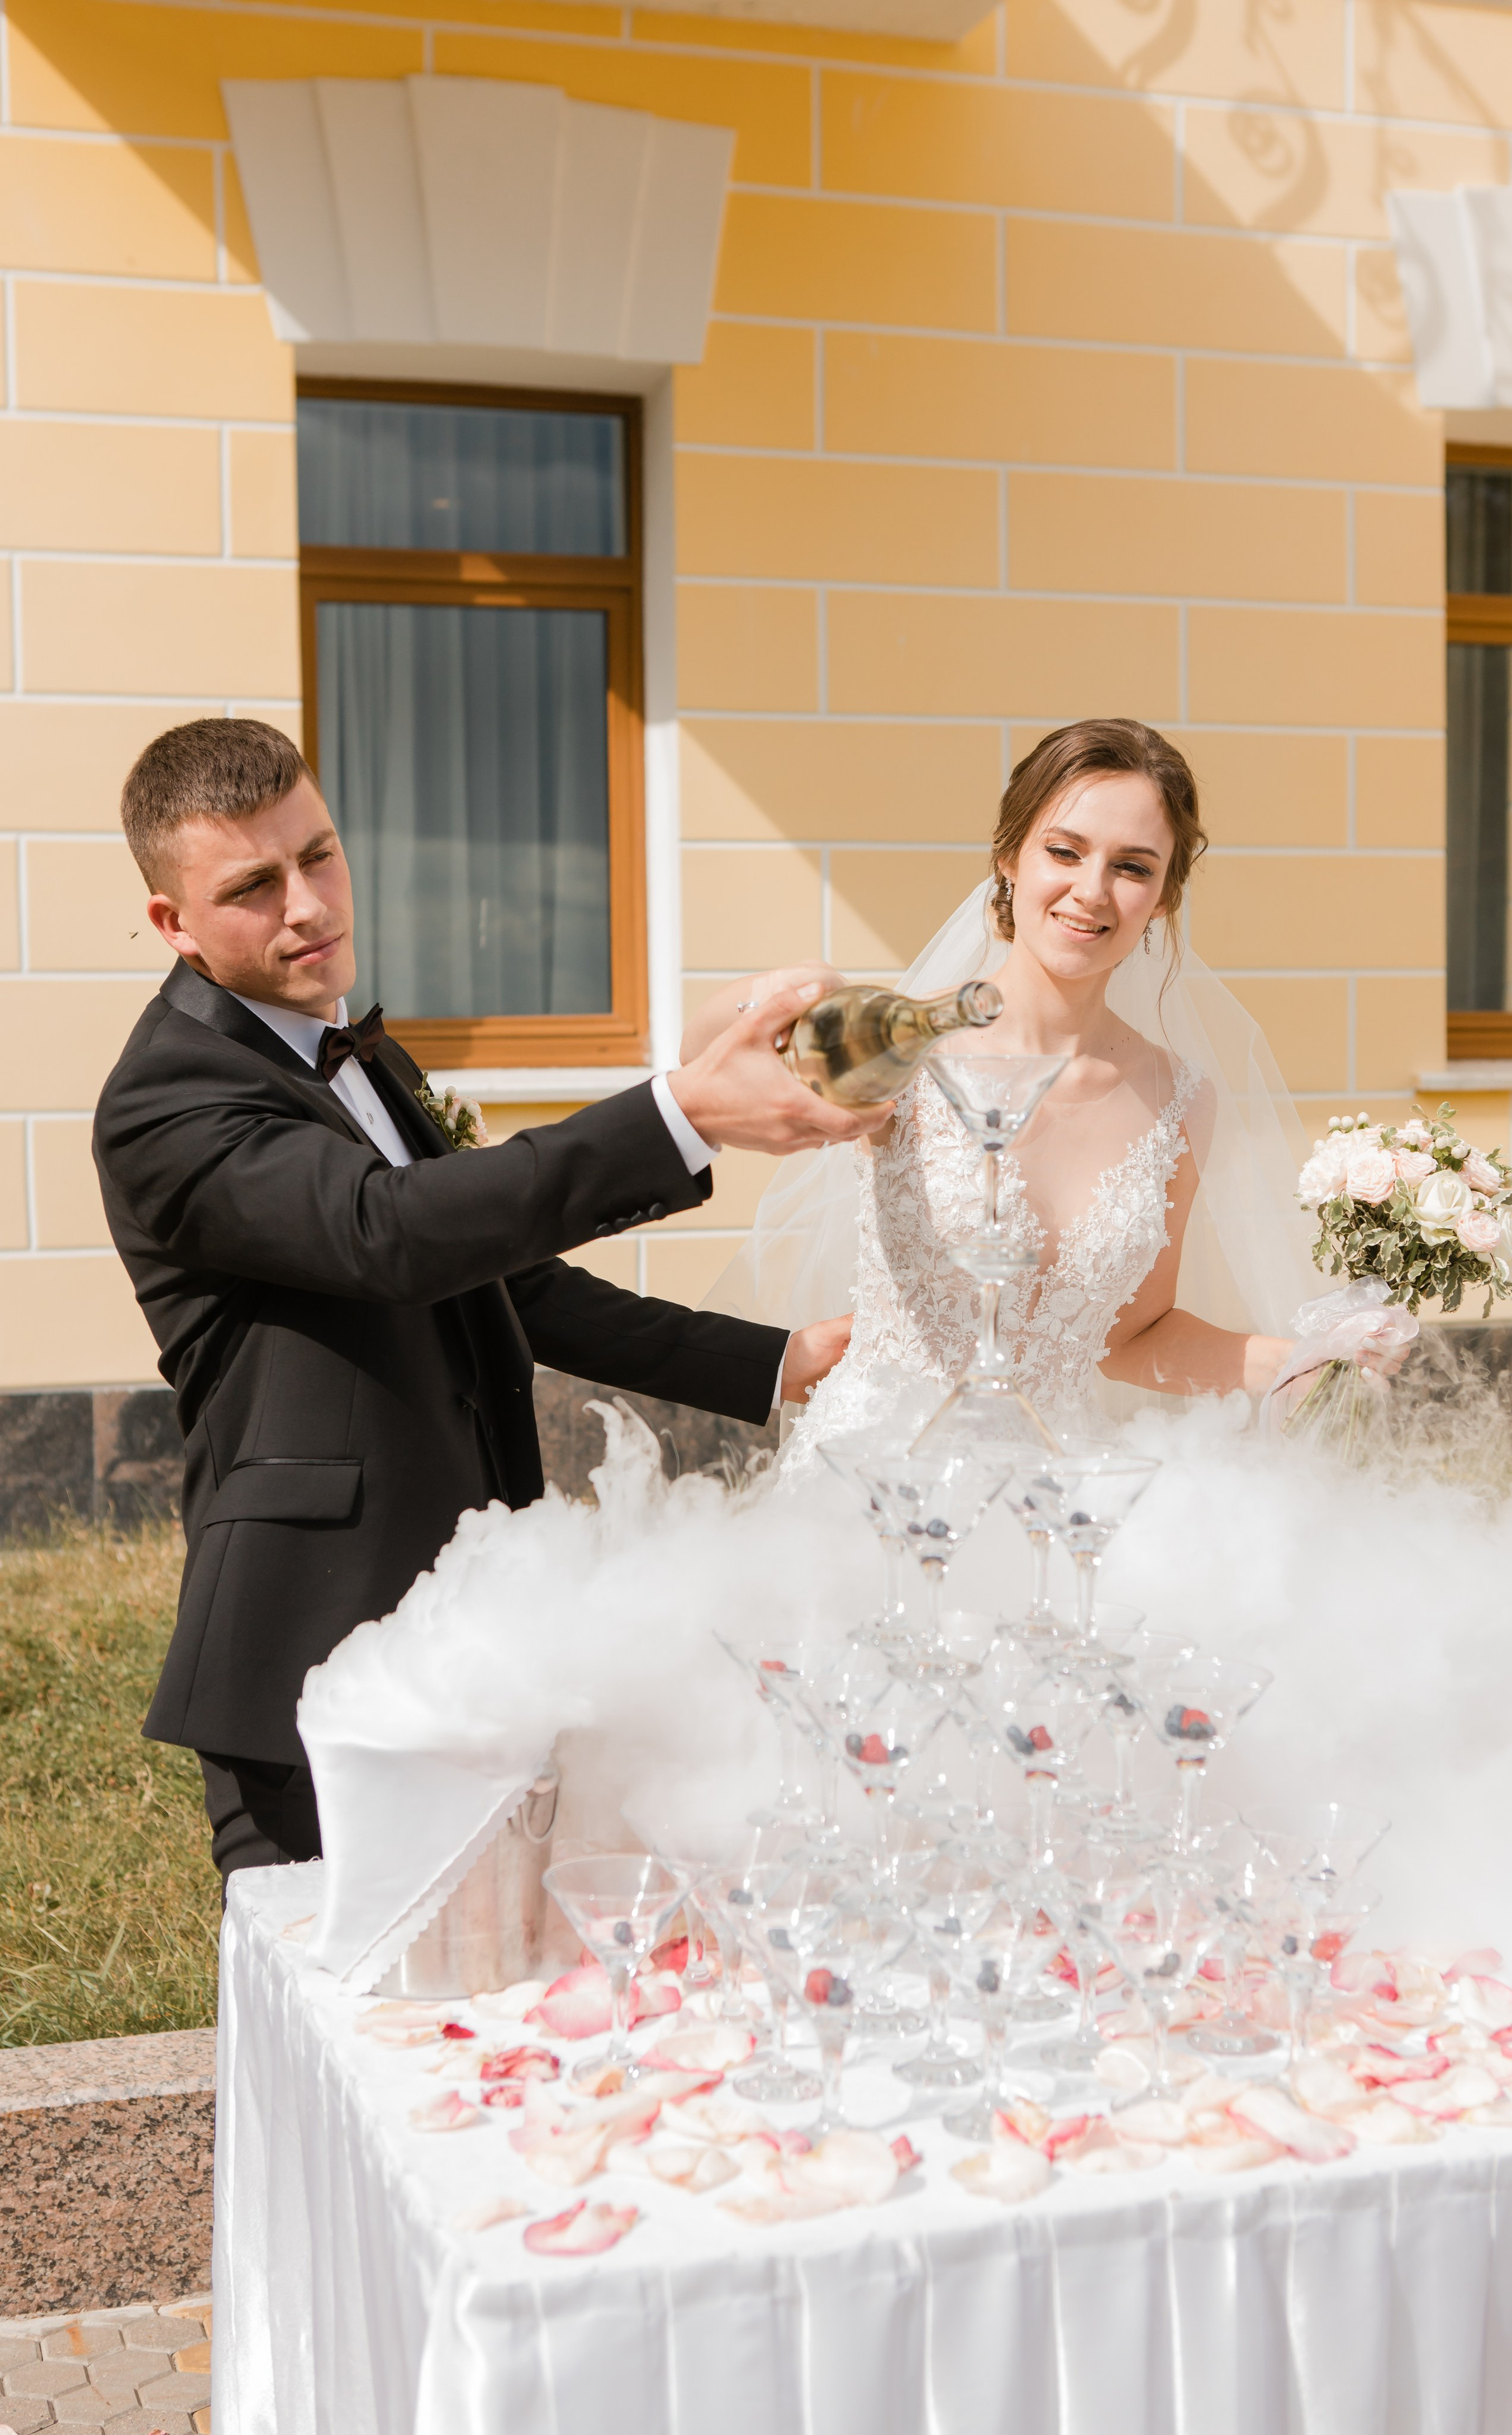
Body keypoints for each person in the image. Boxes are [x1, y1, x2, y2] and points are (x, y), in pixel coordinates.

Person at [93, 719, 879, 1883]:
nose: (308, 904)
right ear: (174, 923)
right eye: (254, 886)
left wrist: (775, 1361)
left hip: (472, 1609)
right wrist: (681, 1115)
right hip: (309, 1648)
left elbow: (507, 1284)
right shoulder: (168, 1100)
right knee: (334, 2006)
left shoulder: (364, 1056)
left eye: (319, 855)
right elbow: (391, 1236)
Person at [690, 718, 1408, 1463]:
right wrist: (770, 997)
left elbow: (1131, 1337)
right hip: (881, 1474)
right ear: (1008, 858)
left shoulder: (1180, 1098)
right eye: (1063, 852)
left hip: (1057, 1483)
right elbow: (706, 1066)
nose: (1090, 891)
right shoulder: (904, 1045)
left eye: (1133, 867)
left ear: (1163, 896)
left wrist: (1302, 1361)